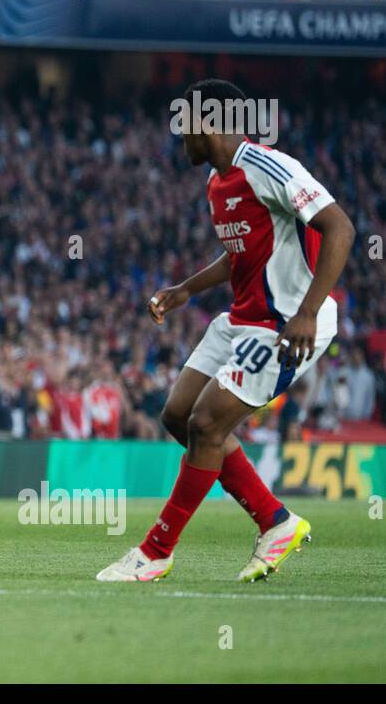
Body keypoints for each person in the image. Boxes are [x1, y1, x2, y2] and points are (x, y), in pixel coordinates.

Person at [98, 79, 354, 583]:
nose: (182, 141)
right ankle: (275, 521)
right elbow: (239, 254)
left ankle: (156, 551)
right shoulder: (217, 182)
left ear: (208, 124)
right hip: (242, 318)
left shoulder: (269, 166)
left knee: (208, 424)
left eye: (185, 130)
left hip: (285, 324)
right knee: (177, 415)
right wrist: (186, 289)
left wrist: (307, 310)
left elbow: (339, 227)